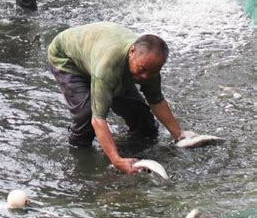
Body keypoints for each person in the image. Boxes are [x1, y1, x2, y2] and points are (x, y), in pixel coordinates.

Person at [48, 22, 186, 175]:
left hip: (99, 55)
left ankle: (133, 149)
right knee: (87, 115)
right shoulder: (109, 67)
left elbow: (156, 101)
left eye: (152, 72)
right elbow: (98, 119)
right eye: (142, 70)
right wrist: (116, 160)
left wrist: (179, 135)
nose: (145, 77)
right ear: (132, 51)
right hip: (67, 59)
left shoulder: (148, 65)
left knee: (142, 118)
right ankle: (79, 157)